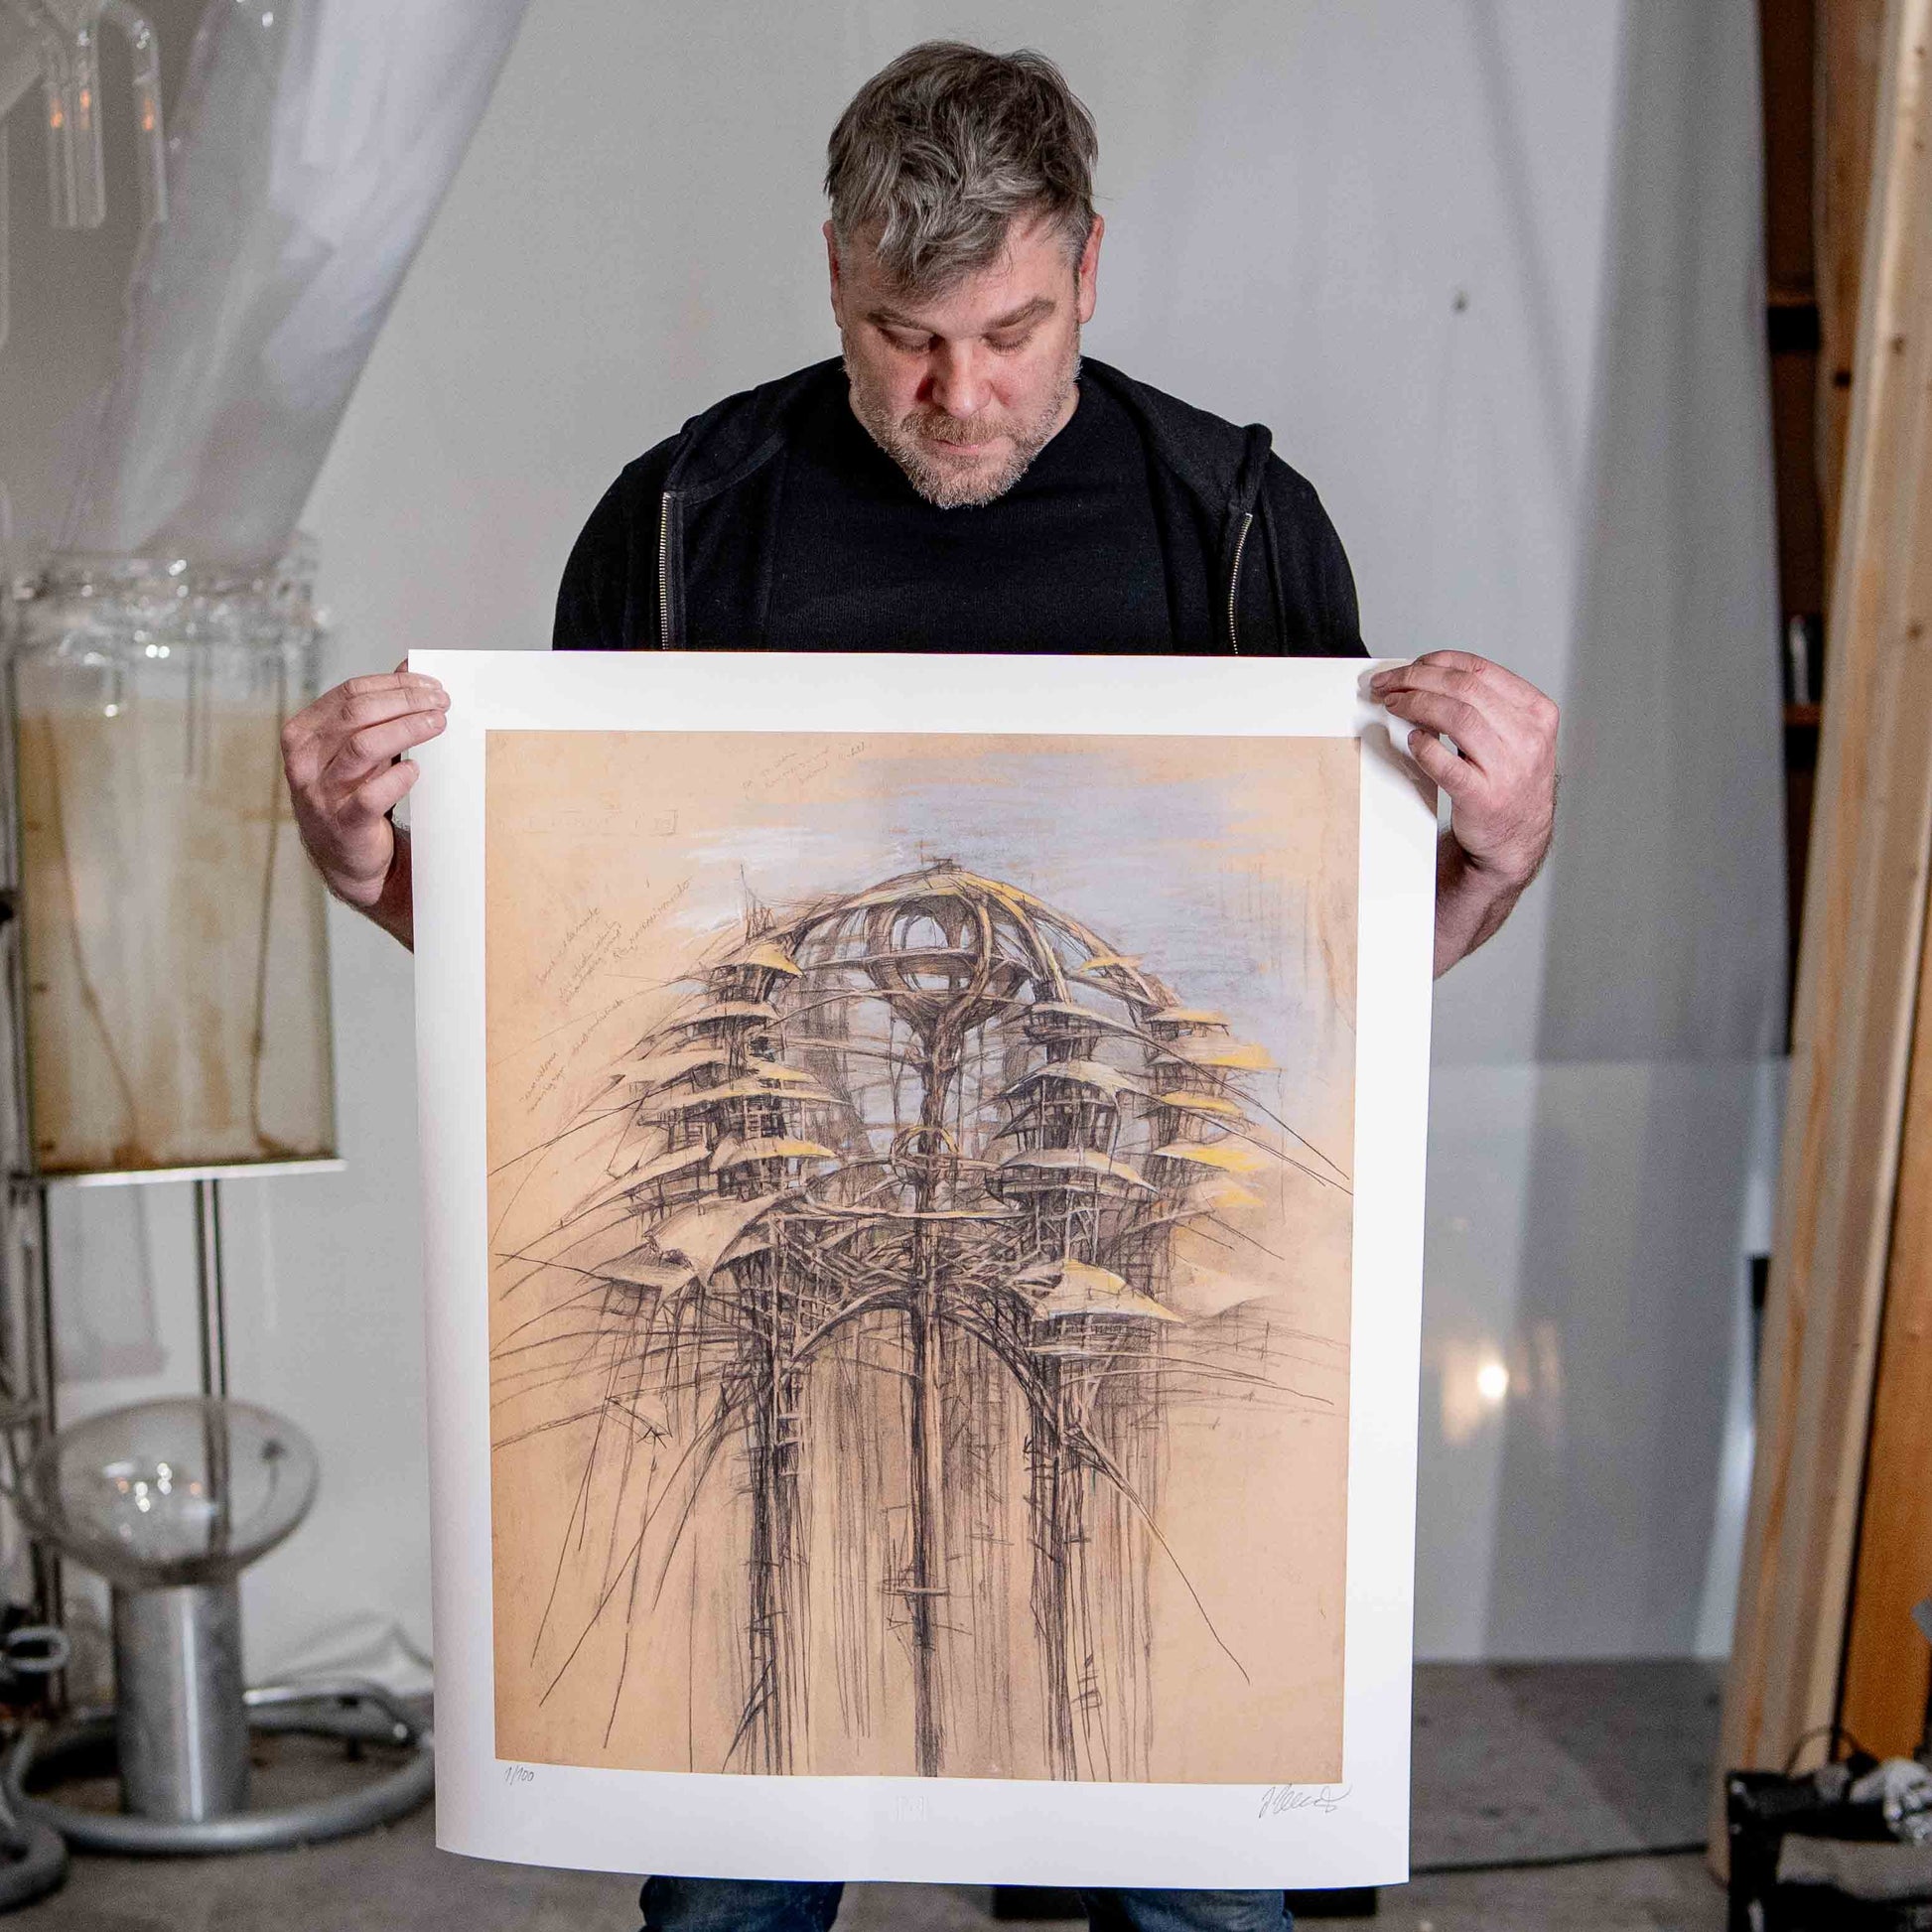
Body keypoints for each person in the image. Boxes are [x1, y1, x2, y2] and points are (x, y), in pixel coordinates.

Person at [280, 41, 1559, 1932]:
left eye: (1011, 333)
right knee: (731, 1894)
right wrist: (366, 865)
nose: (958, 393)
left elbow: (1336, 999)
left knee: (1199, 1894)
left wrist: (1493, 857)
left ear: (1089, 270)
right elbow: (561, 980)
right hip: (769, 1348)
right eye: (904, 337)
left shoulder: (1233, 530)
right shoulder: (679, 524)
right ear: (831, 276)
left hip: (1128, 1371)